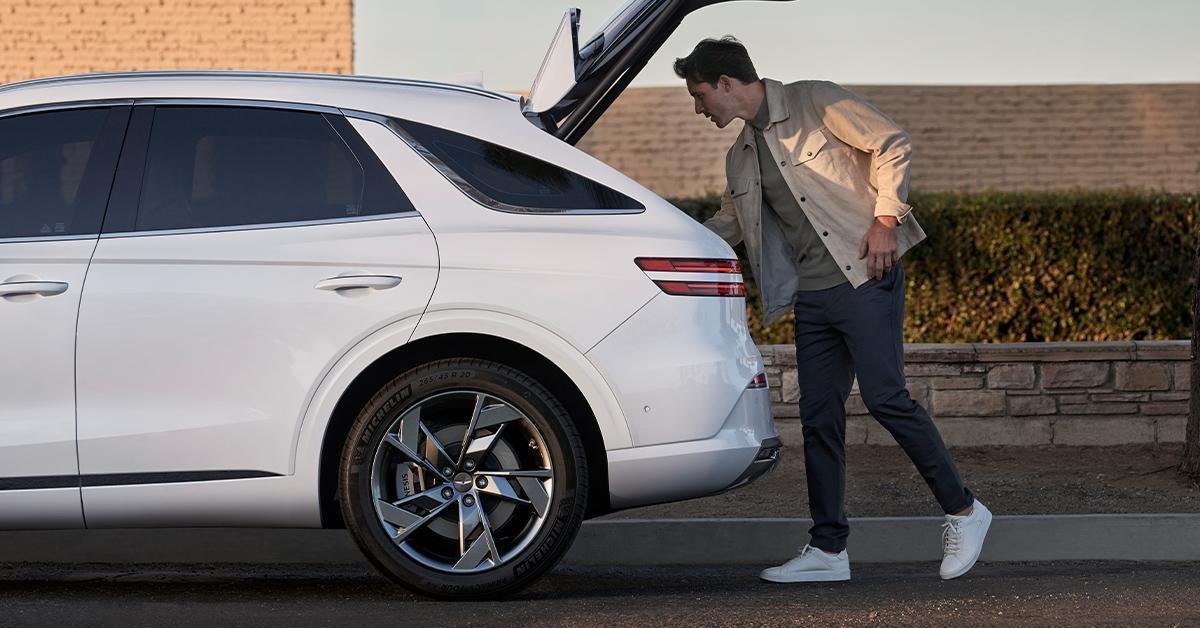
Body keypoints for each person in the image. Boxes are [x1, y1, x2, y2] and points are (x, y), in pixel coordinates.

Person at [673, 36, 991, 582]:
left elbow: (892, 142)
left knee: (886, 398)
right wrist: (668, 242)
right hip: (813, 297)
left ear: (725, 83)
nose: (699, 109)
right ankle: (828, 549)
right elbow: (729, 223)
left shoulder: (815, 100)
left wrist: (886, 220)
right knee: (818, 417)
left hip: (865, 276)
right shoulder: (740, 156)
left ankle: (964, 511)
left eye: (700, 96)